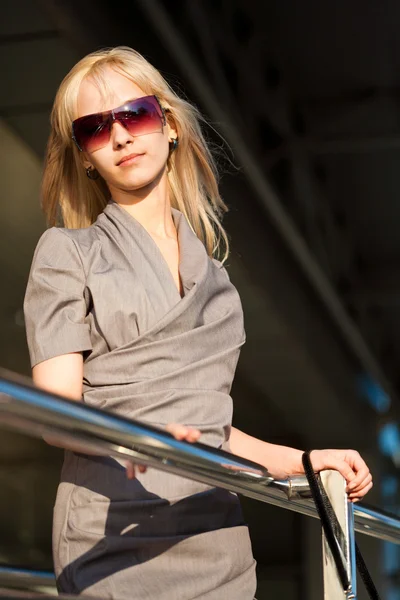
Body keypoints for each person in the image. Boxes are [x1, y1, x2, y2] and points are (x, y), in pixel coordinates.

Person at [23, 46, 373, 600]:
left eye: (134, 114)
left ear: (168, 125)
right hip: (113, 531)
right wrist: (142, 442)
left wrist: (303, 463)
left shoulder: (218, 286)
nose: (119, 137)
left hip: (214, 533)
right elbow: (57, 414)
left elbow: (211, 427)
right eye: (94, 128)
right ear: (85, 155)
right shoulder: (67, 252)